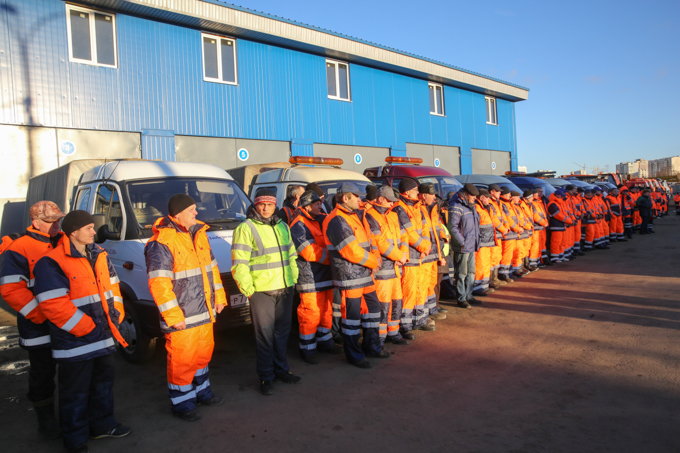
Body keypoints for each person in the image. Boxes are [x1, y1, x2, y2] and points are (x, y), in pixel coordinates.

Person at [33, 211, 130, 453]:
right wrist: (88, 328)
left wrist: (116, 315)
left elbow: (114, 288)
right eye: (88, 228)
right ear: (73, 232)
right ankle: (75, 439)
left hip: (102, 337)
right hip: (76, 342)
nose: (93, 232)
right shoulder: (51, 262)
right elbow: (53, 304)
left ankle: (103, 426)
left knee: (103, 386)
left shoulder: (99, 254)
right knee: (74, 393)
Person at [145, 194, 227, 419]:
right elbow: (159, 283)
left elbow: (212, 270)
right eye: (192, 209)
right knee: (182, 360)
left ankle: (202, 393)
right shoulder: (161, 242)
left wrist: (219, 297)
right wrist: (173, 316)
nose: (196, 212)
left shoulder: (199, 234)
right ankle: (182, 404)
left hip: (204, 311)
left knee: (202, 356)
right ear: (178, 213)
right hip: (183, 315)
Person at [0, 201, 65, 440]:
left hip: (67, 322)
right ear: (36, 223)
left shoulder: (64, 240)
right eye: (50, 221)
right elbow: (11, 290)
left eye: (58, 220)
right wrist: (41, 315)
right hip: (38, 325)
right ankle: (46, 421)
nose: (56, 224)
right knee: (42, 373)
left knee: (71, 371)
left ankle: (72, 414)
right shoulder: (19, 248)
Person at [231, 189, 300, 394]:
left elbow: (292, 255)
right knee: (265, 337)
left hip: (285, 288)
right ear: (255, 204)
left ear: (275, 205)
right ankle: (266, 377)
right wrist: (249, 291)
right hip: (261, 292)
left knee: (282, 334)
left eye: (269, 205)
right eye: (262, 204)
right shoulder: (246, 228)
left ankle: (281, 370)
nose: (265, 208)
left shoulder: (282, 226)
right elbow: (239, 263)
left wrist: (293, 280)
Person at [323, 183, 388, 368]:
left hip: (363, 273)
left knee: (372, 308)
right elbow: (350, 250)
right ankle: (354, 355)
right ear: (346, 198)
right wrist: (374, 262)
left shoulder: (354, 215)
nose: (361, 199)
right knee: (351, 317)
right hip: (350, 276)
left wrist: (375, 259)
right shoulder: (337, 219)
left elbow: (369, 240)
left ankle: (371, 347)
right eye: (357, 196)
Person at [290, 190, 340, 364]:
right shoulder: (298, 224)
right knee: (310, 312)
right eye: (317, 204)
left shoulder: (321, 219)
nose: (321, 206)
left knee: (326, 310)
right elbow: (308, 251)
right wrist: (332, 258)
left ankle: (325, 342)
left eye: (320, 203)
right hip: (309, 277)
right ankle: (308, 348)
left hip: (324, 274)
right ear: (306, 206)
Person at [363, 186, 410, 346]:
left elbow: (404, 236)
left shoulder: (393, 215)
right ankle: (380, 338)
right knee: (383, 304)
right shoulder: (370, 216)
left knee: (396, 302)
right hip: (383, 270)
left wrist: (403, 255)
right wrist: (399, 256)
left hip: (396, 268)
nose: (392, 204)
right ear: (380, 199)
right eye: (390, 200)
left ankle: (393, 333)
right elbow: (379, 243)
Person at [393, 178, 433, 335]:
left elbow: (425, 228)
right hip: (409, 258)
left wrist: (426, 246)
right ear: (407, 191)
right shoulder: (400, 208)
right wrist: (423, 246)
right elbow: (408, 233)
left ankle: (419, 320)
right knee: (408, 291)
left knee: (420, 288)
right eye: (415, 190)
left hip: (420, 256)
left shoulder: (417, 207)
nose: (418, 192)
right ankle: (405, 326)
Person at [448, 183, 481, 308]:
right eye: (473, 196)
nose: (475, 198)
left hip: (471, 245)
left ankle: (469, 295)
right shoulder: (456, 206)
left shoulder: (471, 206)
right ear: (466, 194)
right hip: (463, 246)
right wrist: (462, 242)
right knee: (462, 273)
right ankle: (461, 298)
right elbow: (452, 227)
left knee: (471, 272)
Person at [418, 183, 447, 320]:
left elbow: (437, 229)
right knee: (422, 286)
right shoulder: (417, 209)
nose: (435, 197)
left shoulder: (433, 208)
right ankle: (423, 316)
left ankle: (431, 310)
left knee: (431, 284)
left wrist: (441, 249)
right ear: (424, 195)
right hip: (424, 255)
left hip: (434, 254)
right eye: (432, 194)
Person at [472, 189, 497, 297]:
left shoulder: (485, 208)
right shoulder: (477, 209)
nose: (489, 200)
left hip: (487, 242)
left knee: (486, 264)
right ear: (481, 198)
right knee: (480, 265)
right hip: (481, 243)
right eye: (487, 198)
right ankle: (477, 287)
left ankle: (484, 286)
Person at [497, 187, 522, 280]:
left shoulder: (508, 204)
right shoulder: (504, 204)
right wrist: (517, 228)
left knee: (511, 255)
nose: (510, 196)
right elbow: (508, 219)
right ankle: (504, 274)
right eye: (508, 194)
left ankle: (509, 272)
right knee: (506, 255)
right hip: (509, 234)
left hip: (512, 233)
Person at [487, 184, 510, 286]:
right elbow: (494, 219)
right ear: (492, 192)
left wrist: (506, 227)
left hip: (499, 234)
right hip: (495, 234)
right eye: (498, 191)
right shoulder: (490, 203)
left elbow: (503, 217)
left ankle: (495, 278)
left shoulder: (498, 203)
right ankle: (491, 279)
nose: (500, 193)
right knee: (493, 257)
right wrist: (503, 229)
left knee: (497, 256)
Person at [547, 189, 572, 262]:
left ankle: (560, 256)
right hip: (555, 226)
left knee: (562, 242)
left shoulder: (559, 203)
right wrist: (568, 220)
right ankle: (554, 257)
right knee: (556, 242)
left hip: (560, 225)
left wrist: (567, 220)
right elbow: (558, 215)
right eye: (561, 196)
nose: (563, 197)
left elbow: (563, 214)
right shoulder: (552, 204)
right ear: (557, 195)